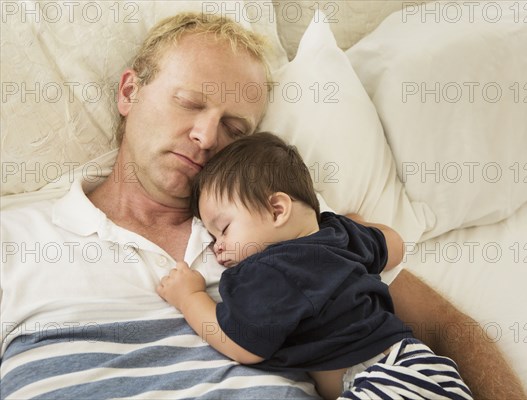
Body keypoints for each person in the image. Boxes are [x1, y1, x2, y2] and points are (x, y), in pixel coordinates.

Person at [0, 12, 526, 400]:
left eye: (234, 129)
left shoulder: (284, 224)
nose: (206, 136)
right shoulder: (16, 239)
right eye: (189, 103)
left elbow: (440, 327)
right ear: (130, 92)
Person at [156, 132, 474, 400]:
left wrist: (189, 297)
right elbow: (395, 246)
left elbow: (241, 343)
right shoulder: (339, 233)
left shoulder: (269, 271)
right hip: (421, 364)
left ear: (278, 209)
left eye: (223, 228)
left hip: (379, 380)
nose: (217, 246)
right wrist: (360, 224)